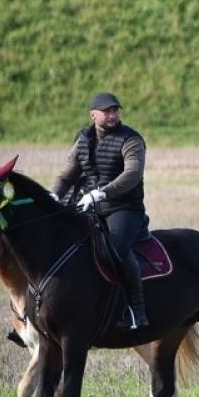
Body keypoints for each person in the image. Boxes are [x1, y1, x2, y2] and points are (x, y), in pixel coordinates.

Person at [52, 92, 150, 329]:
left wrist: (101, 193)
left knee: (115, 248)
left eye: (115, 110)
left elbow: (132, 174)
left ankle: (137, 310)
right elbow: (68, 175)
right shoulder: (83, 139)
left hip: (124, 208)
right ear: (92, 115)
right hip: (88, 206)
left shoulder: (131, 139)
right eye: (107, 111)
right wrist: (53, 195)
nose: (112, 115)